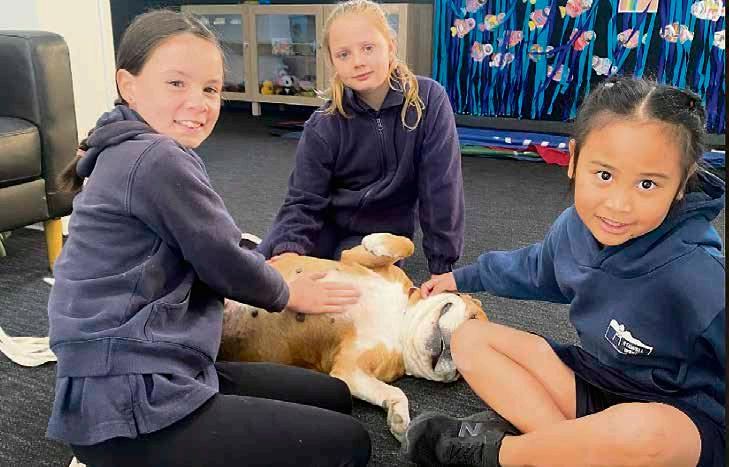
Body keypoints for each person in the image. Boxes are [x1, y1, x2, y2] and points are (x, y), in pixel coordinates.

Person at [47, 10, 370, 467]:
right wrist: (287, 292)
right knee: (350, 444)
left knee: (333, 395)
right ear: (128, 85)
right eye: (176, 83)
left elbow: (211, 244)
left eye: (211, 89)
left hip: (162, 363)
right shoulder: (155, 157)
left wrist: (263, 268)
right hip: (129, 401)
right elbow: (222, 258)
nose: (198, 103)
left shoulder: (122, 143)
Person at [404, 77, 725, 467]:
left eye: (646, 184)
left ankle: (506, 454)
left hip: (676, 418)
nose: (618, 205)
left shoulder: (699, 274)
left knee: (649, 433)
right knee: (469, 339)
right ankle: (571, 451)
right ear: (573, 159)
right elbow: (533, 268)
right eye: (604, 175)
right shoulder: (575, 228)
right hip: (599, 381)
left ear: (681, 185)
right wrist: (460, 278)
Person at [256, 0, 465, 280]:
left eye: (368, 48)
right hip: (323, 226)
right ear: (333, 62)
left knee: (357, 291)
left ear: (390, 46)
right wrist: (289, 255)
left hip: (378, 235)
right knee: (263, 276)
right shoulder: (323, 124)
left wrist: (441, 267)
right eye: (344, 54)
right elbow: (303, 201)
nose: (358, 62)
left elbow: (441, 188)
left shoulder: (428, 100)